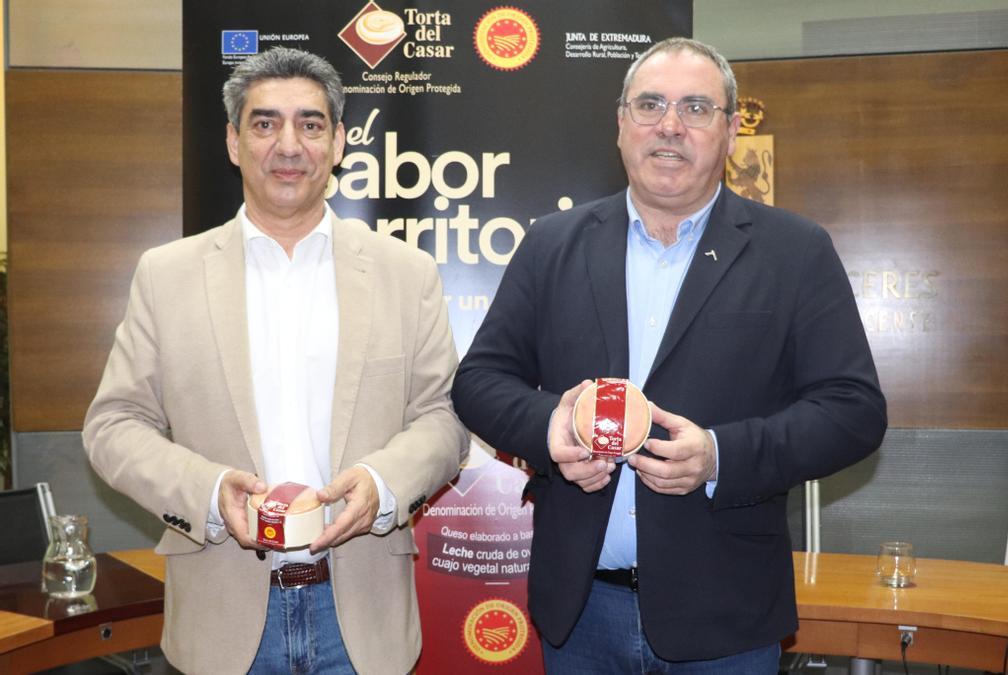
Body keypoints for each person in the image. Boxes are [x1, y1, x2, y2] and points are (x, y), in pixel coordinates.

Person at [452, 37, 887, 672]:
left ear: (732, 129)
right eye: (650, 104)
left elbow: (853, 411)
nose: (670, 126)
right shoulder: (552, 244)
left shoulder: (794, 252)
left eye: (697, 108)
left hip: (727, 618)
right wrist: (552, 429)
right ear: (621, 123)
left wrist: (721, 455)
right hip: (580, 614)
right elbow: (480, 380)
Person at [83, 47, 467, 674]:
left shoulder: (406, 272)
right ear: (234, 142)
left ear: (339, 142)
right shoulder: (166, 275)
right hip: (221, 616)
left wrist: (381, 482)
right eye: (265, 123)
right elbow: (112, 428)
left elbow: (444, 417)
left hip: (363, 620)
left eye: (310, 125)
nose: (289, 144)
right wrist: (206, 492)